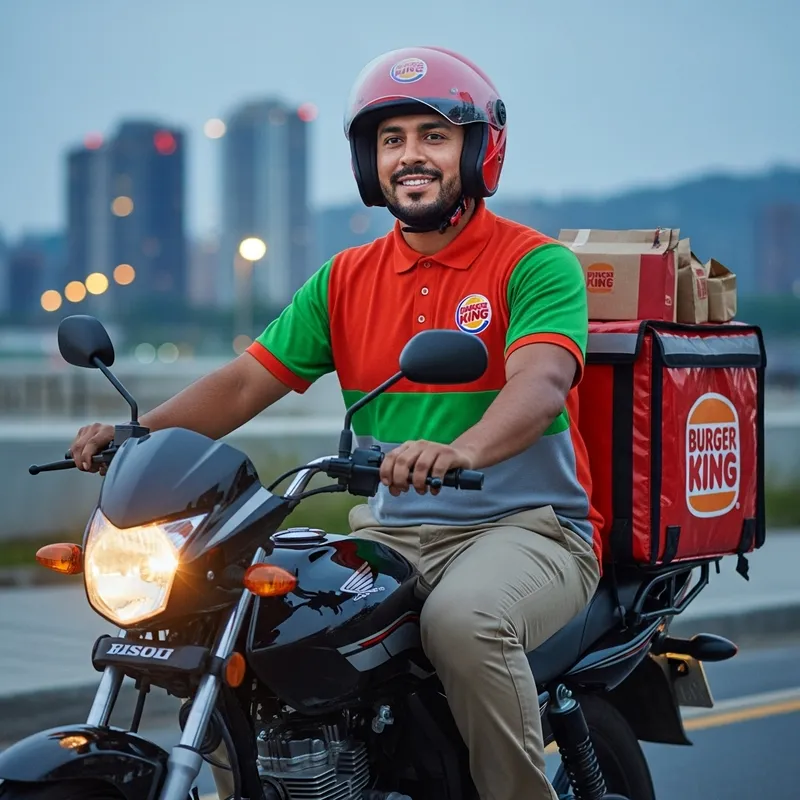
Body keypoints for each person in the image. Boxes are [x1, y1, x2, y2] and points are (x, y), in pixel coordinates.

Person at [70, 46, 604, 800]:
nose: (410, 156)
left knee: (463, 623)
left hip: (525, 528)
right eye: (392, 140)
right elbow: (247, 381)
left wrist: (459, 449)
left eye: (434, 134)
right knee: (255, 612)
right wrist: (138, 436)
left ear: (479, 149)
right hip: (392, 528)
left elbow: (541, 384)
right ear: (369, 160)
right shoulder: (346, 278)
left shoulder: (535, 264)